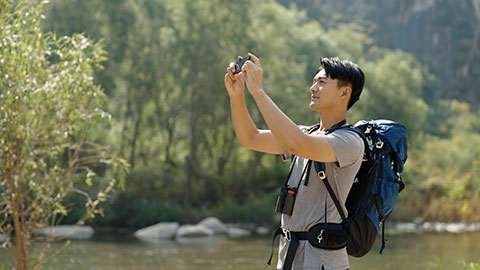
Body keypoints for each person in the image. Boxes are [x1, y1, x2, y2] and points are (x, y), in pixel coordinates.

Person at [224, 53, 365, 270]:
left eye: (321, 82)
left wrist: (259, 91)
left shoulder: (349, 141)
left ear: (345, 92)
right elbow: (249, 138)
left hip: (322, 263)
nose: (313, 87)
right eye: (313, 81)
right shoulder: (304, 134)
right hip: (289, 258)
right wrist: (237, 95)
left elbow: (297, 144)